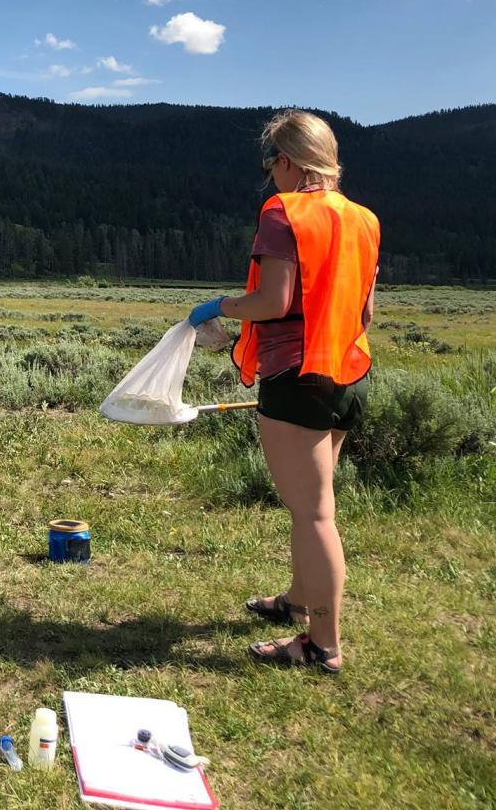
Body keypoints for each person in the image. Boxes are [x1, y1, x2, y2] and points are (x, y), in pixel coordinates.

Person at [187, 110, 379, 674]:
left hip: (296, 382)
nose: (271, 176)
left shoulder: (283, 212)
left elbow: (272, 301)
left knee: (315, 513)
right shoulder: (363, 220)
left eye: (272, 164)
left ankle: (322, 642)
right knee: (309, 507)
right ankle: (298, 601)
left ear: (289, 162)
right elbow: (365, 310)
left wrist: (220, 308)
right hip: (345, 375)